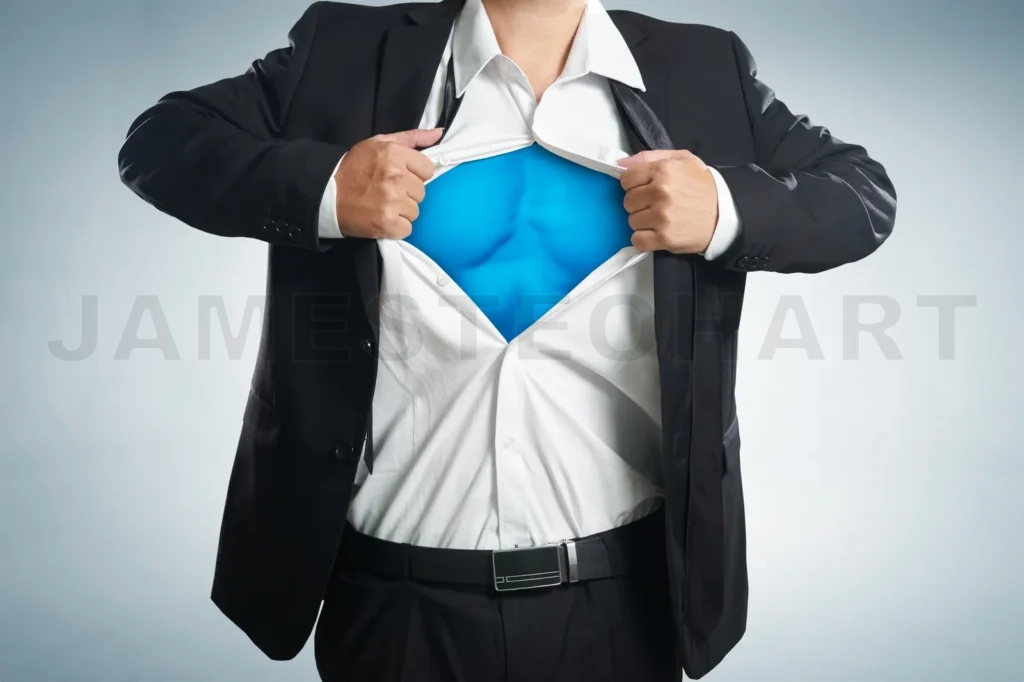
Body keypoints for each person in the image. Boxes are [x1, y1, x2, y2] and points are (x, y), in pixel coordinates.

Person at [117, 0, 896, 679]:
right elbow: (159, 141)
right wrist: (325, 187)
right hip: (393, 610)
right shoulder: (343, 48)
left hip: (623, 608)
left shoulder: (703, 66)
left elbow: (862, 194)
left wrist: (726, 207)